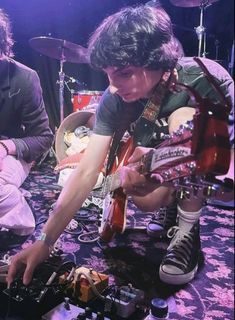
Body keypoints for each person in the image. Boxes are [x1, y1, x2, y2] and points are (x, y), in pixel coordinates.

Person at [7, 5, 234, 286]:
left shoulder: (207, 78)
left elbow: (227, 182)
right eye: (107, 74)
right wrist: (45, 240)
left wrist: (166, 162)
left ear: (158, 61)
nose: (113, 87)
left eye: (124, 73)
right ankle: (172, 205)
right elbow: (86, 173)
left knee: (184, 119)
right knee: (144, 197)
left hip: (200, 166)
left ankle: (187, 230)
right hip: (154, 166)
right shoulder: (113, 98)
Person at [0, 9, 54, 236]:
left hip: (13, 152)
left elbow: (43, 137)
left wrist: (5, 147)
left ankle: (21, 221)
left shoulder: (25, 78)